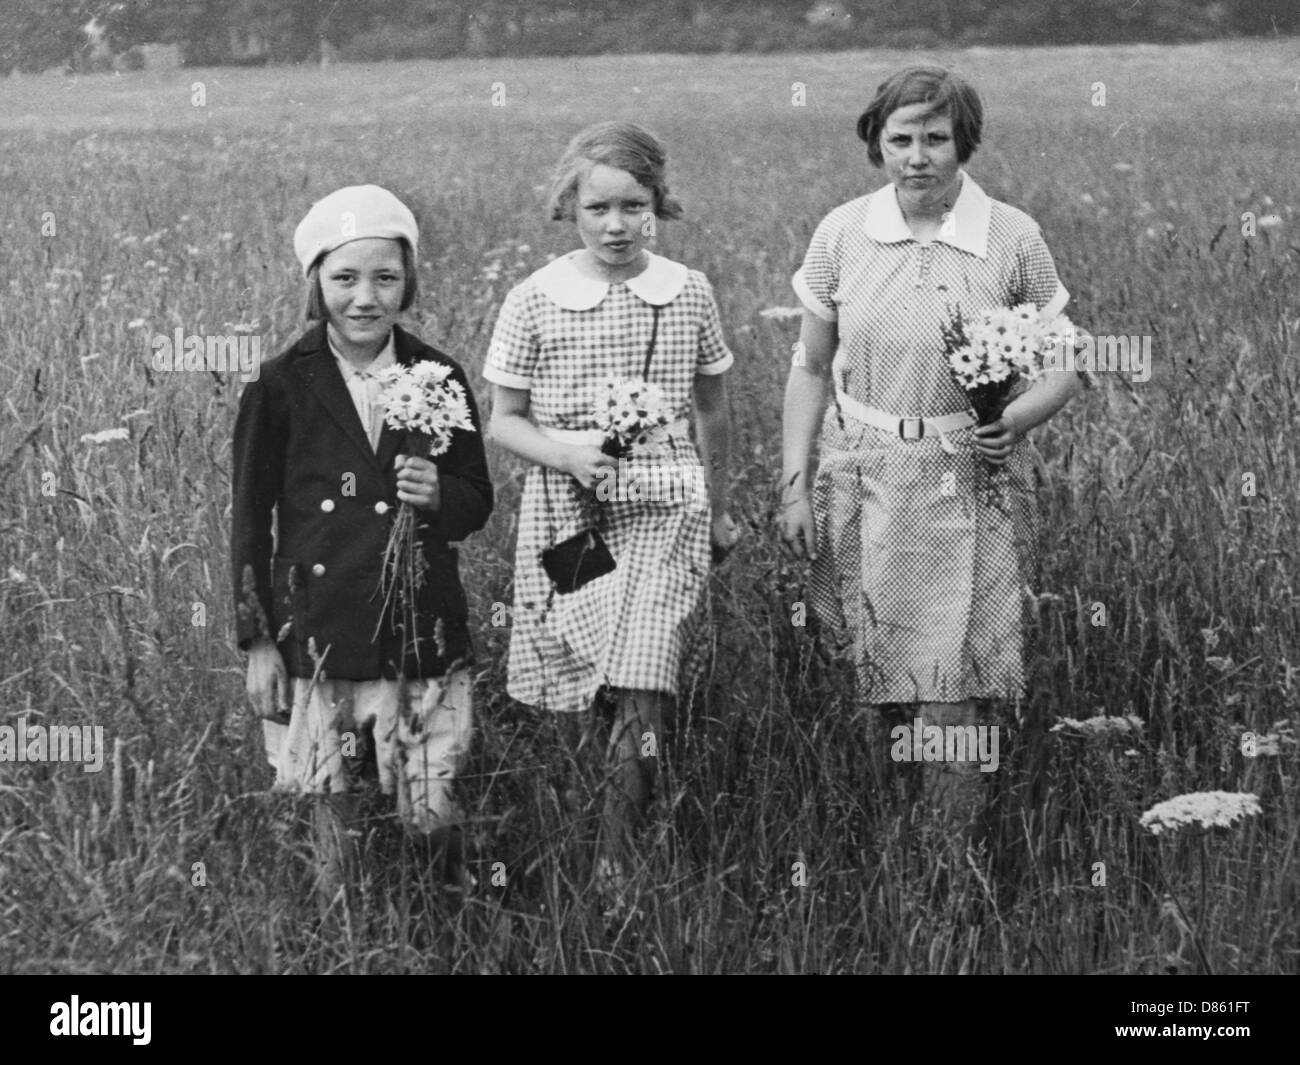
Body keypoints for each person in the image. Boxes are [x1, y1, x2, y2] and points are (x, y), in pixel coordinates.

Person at [779, 67, 1085, 841]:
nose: (918, 157)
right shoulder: (842, 232)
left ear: (964, 143)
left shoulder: (1011, 236)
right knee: (874, 671)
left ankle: (951, 863)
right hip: (860, 472)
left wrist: (1017, 417)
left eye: (936, 139)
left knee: (954, 677)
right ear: (878, 143)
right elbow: (811, 368)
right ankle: (888, 838)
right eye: (901, 139)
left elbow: (1064, 362)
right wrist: (792, 486)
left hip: (960, 481)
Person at [484, 121, 739, 906]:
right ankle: (582, 815)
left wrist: (721, 510)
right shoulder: (535, 299)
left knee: (643, 671)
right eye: (599, 207)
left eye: (635, 206)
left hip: (666, 506)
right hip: (572, 512)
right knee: (575, 671)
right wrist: (565, 454)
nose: (618, 225)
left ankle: (616, 858)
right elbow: (504, 418)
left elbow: (713, 410)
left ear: (659, 204)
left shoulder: (686, 290)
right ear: (571, 206)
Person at [231, 185, 493, 915]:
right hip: (317, 630)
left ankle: (454, 915)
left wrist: (440, 495)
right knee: (330, 807)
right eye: (345, 278)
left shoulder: (437, 374)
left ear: (409, 278)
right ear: (315, 281)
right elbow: (249, 520)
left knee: (429, 807)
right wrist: (257, 640)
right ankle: (342, 934)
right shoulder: (281, 382)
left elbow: (477, 499)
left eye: (385, 277)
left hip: (419, 625)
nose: (365, 297)